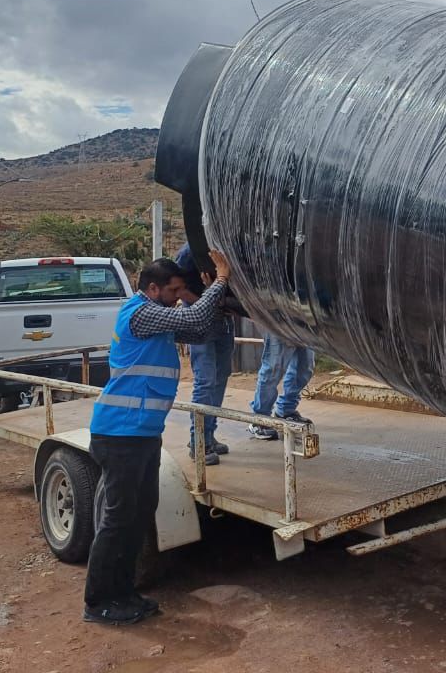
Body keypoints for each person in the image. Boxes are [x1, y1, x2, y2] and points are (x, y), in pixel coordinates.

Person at [83, 249, 232, 626]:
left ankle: (124, 592)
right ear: (154, 289)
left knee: (138, 515)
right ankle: (99, 602)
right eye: (175, 290)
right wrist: (222, 278)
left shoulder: (157, 317)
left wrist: (211, 300)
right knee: (118, 520)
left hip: (142, 434)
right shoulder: (140, 313)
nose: (180, 296)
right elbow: (196, 316)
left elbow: (201, 328)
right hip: (119, 434)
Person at [175, 242, 240, 466]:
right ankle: (198, 442)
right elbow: (179, 288)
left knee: (220, 378)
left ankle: (209, 435)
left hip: (223, 321)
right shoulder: (189, 252)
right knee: (205, 381)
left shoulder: (231, 245)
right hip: (200, 322)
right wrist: (207, 302)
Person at [247, 332, 316, 440]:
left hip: (304, 323)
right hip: (278, 320)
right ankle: (260, 418)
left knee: (304, 368)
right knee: (272, 369)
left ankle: (285, 410)